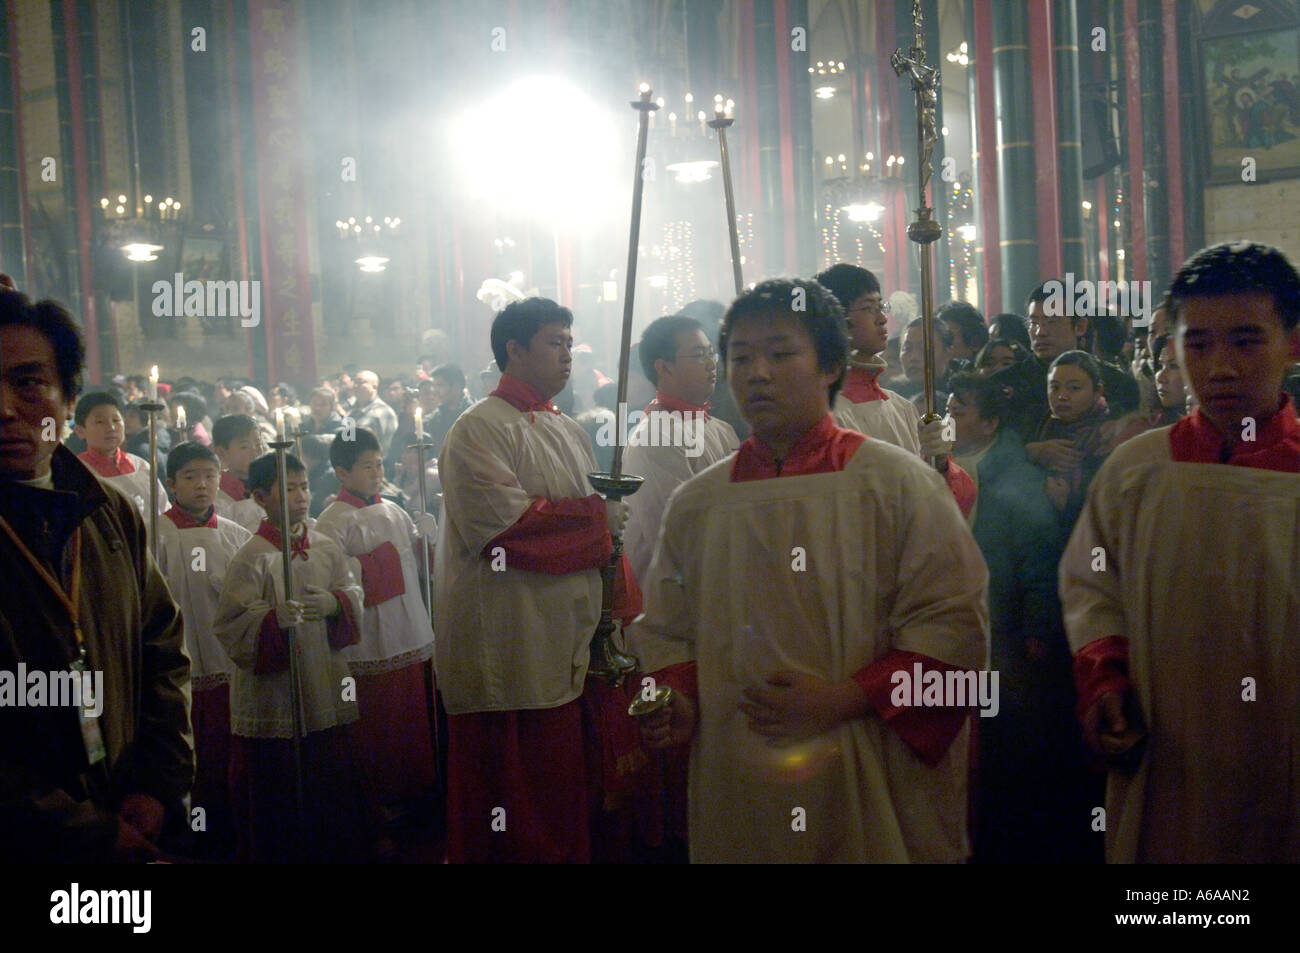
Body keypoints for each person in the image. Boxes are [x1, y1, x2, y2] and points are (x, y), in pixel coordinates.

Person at [627, 278, 989, 863]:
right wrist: (678, 700)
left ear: (830, 365)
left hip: (865, 753)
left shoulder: (896, 483)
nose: (757, 373)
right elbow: (668, 631)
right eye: (740, 357)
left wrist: (846, 697)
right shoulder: (699, 503)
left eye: (779, 353)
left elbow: (954, 626)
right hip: (739, 769)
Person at [1062, 241, 1300, 863]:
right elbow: (1092, 587)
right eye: (1198, 343)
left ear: (1293, 341)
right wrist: (1104, 679)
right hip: (1168, 746)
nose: (1220, 367)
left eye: (1246, 341)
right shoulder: (1138, 470)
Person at [433, 296, 644, 863]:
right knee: (511, 801)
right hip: (507, 639)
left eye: (571, 343)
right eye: (555, 342)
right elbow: (507, 530)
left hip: (561, 636)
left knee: (561, 792)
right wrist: (599, 517)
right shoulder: (478, 428)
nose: (568, 355)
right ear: (514, 349)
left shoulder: (567, 429)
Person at [0, 284, 192, 862]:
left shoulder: (108, 510)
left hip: (131, 808)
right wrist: (85, 834)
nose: (5, 409)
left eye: (28, 383)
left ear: (68, 398)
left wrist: (156, 785)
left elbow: (162, 648)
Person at [945, 373, 1099, 863]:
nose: (948, 417)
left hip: (1005, 628)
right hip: (957, 626)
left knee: (1005, 743)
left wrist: (1037, 629)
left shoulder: (1015, 477)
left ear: (990, 422)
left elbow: (1037, 557)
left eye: (961, 409)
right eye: (946, 406)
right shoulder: (934, 465)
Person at [214, 452, 367, 863]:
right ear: (262, 497)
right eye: (290, 489)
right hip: (277, 687)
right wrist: (269, 620)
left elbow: (352, 591)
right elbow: (230, 623)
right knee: (278, 780)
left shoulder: (326, 546)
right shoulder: (252, 555)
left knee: (328, 769)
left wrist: (337, 604)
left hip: (322, 671)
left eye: (304, 487)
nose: (301, 497)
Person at [315, 427, 439, 834]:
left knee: (412, 720)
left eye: (379, 464)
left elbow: (420, 570)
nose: (375, 472)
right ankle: (379, 803)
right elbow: (334, 576)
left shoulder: (397, 509)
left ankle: (416, 793)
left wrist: (428, 543)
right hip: (372, 637)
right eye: (366, 466)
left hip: (409, 625)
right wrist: (380, 560)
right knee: (379, 724)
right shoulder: (333, 519)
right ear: (341, 472)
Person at [816, 263, 976, 519]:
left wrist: (941, 464)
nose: (881, 318)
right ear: (835, 320)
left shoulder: (902, 407)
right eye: (868, 308)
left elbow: (952, 506)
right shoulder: (824, 414)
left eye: (881, 307)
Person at [157, 441, 251, 859]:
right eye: (190, 477)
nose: (202, 485)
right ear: (171, 482)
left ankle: (234, 829)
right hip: (181, 669)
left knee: (232, 755)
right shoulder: (154, 536)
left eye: (210, 476)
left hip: (229, 667)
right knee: (192, 756)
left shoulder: (236, 537)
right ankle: (193, 836)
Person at [622, 314, 740, 583]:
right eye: (699, 355)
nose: (712, 364)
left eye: (712, 353)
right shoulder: (656, 437)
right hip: (676, 596)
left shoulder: (721, 429)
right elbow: (677, 534)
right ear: (664, 368)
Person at [990, 282, 1139, 446]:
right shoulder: (1003, 382)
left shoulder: (1117, 384)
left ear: (1080, 327)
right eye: (1034, 323)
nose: (1040, 332)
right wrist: (1029, 453)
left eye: (1052, 321)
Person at [1036, 350, 1112, 528]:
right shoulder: (1043, 424)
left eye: (1074, 388)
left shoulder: (1107, 436)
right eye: (1054, 387)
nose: (1061, 396)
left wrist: (1067, 506)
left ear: (1097, 391)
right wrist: (1033, 452)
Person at [73, 392, 168, 531]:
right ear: (80, 431)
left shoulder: (139, 466)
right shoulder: (76, 470)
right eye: (100, 422)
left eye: (116, 420)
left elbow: (163, 509)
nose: (111, 428)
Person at [212, 414, 265, 532]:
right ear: (221, 453)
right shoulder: (215, 495)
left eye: (258, 444)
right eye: (244, 447)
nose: (256, 452)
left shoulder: (269, 485)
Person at [426, 363, 473, 460]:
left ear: (457, 386)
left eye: (440, 385)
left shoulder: (474, 416)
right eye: (434, 386)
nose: (435, 391)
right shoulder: (433, 419)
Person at [350, 370, 398, 455]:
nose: (355, 386)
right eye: (354, 382)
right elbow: (345, 439)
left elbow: (387, 448)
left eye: (361, 382)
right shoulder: (352, 412)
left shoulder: (382, 412)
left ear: (374, 386)